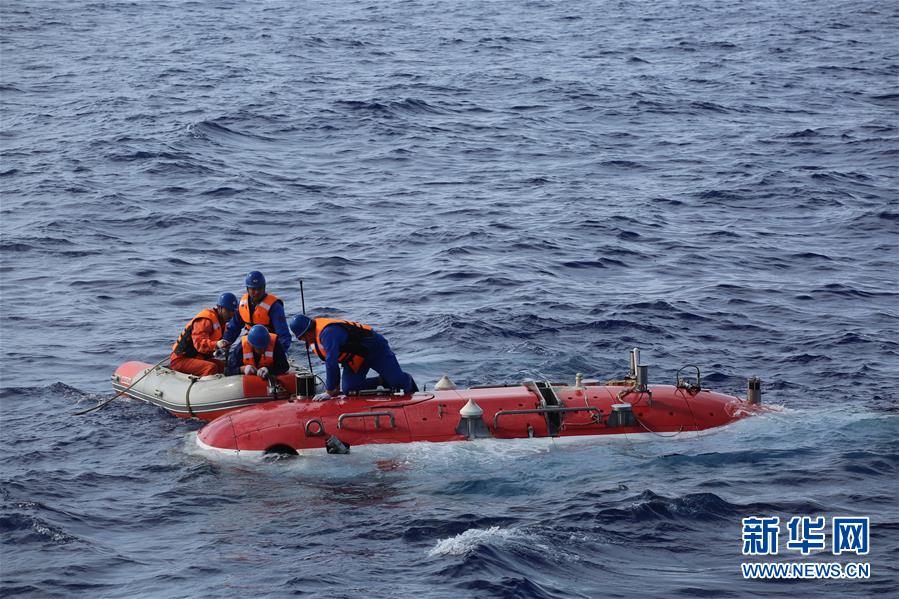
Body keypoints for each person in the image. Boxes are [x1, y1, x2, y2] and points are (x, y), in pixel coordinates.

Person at [290, 314, 417, 400]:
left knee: (397, 381)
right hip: (356, 358)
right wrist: (336, 387)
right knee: (350, 388)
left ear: (307, 332)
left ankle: (408, 383)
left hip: (374, 350)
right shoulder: (314, 337)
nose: (304, 341)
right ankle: (381, 381)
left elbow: (331, 361)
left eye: (303, 338)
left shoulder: (328, 333)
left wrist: (330, 390)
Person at [170, 292, 238, 377]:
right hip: (181, 359)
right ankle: (203, 388)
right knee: (211, 367)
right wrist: (216, 344)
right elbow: (199, 344)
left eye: (233, 311)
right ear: (220, 308)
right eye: (228, 310)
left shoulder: (222, 323)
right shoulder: (206, 320)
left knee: (221, 366)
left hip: (197, 358)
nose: (231, 314)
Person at [222, 270, 291, 352]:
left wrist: (280, 353)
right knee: (235, 356)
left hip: (268, 344)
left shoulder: (275, 307)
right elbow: (234, 328)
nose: (257, 292)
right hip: (250, 341)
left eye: (259, 288)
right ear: (247, 289)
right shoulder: (243, 304)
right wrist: (225, 343)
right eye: (253, 289)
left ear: (264, 287)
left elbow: (283, 335)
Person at [225, 325, 290, 378]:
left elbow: (284, 366)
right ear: (251, 345)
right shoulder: (241, 348)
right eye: (260, 348)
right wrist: (242, 369)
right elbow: (228, 371)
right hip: (247, 383)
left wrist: (268, 370)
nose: (263, 350)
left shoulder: (275, 344)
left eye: (265, 347)